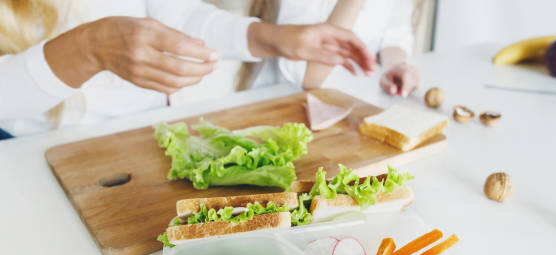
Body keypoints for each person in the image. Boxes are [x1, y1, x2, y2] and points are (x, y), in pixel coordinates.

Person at [0, 0, 376, 137]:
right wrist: (88, 48)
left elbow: (179, 13)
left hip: (143, 134)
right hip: (28, 153)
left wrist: (270, 38)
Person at [241, 0, 420, 97]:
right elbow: (308, 79)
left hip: (353, 106)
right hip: (280, 104)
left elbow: (395, 30)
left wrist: (395, 64)